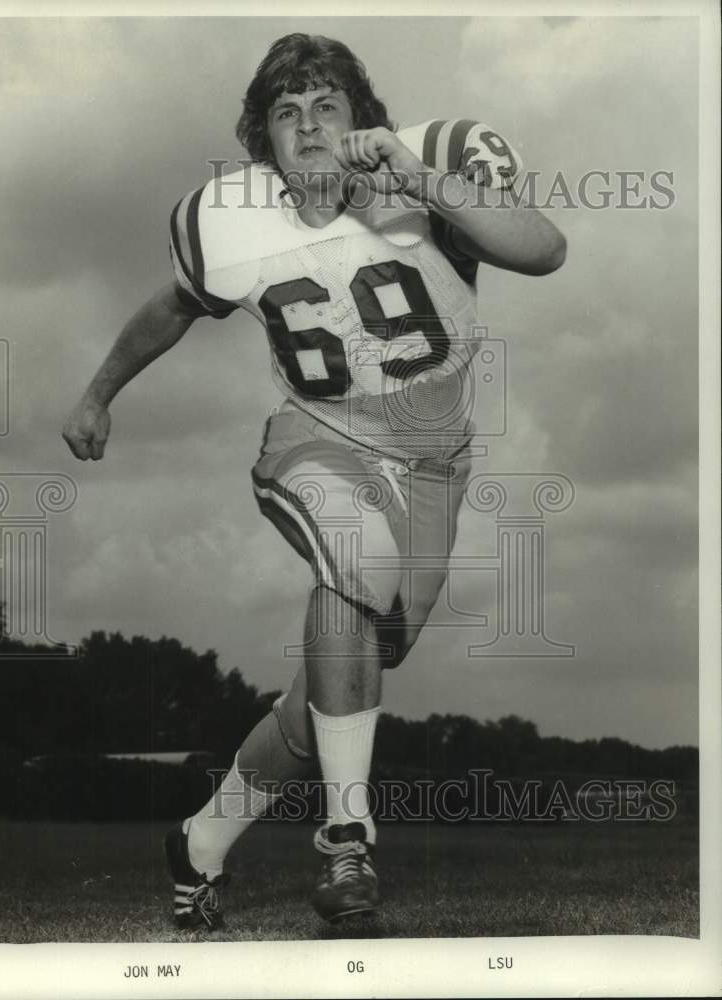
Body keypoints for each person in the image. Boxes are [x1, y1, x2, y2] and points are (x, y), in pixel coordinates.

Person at [62, 33, 566, 929]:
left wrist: (417, 180)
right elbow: (174, 305)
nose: (306, 128)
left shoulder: (431, 165)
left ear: (361, 119)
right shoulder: (228, 216)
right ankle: (346, 836)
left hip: (432, 458)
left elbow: (542, 249)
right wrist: (99, 393)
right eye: (284, 114)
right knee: (353, 566)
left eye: (325, 106)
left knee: (353, 667)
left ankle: (202, 840)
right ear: (263, 142)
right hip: (317, 435)